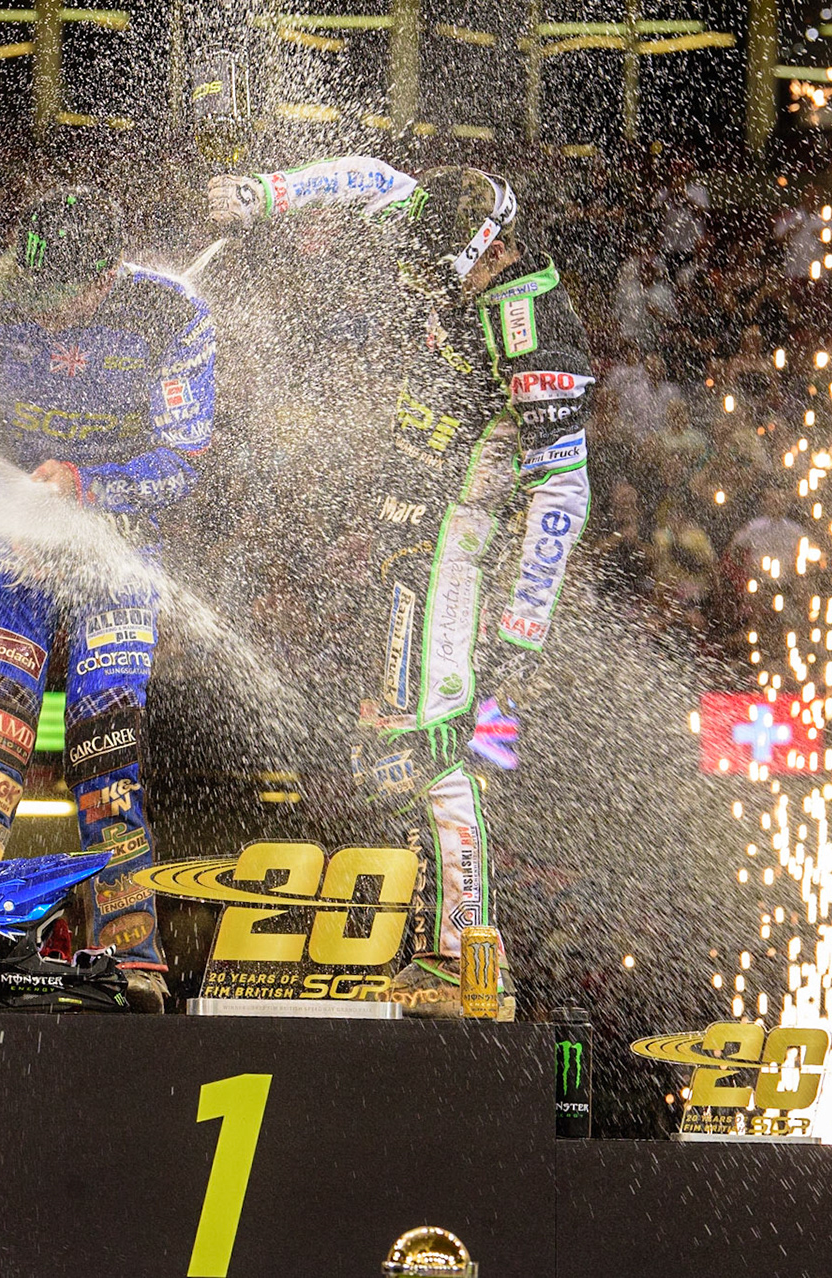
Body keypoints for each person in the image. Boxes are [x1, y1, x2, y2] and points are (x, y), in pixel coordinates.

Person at [208, 158, 592, 1017]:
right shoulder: (439, 216)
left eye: (448, 276)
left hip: (457, 543)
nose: (431, 288)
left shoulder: (531, 324)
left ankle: (465, 960)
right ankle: (441, 948)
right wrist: (264, 195)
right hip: (406, 536)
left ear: (490, 254)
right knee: (388, 747)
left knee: (423, 747)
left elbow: (562, 491)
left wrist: (523, 627)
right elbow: (366, 175)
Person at [0, 186, 216, 1013]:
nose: (40, 314)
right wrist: (8, 498)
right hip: (14, 542)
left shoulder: (174, 318)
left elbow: (183, 464)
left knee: (104, 749)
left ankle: (133, 953)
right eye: (31, 293)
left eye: (60, 301)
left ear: (107, 277)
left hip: (115, 551)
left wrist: (86, 486)